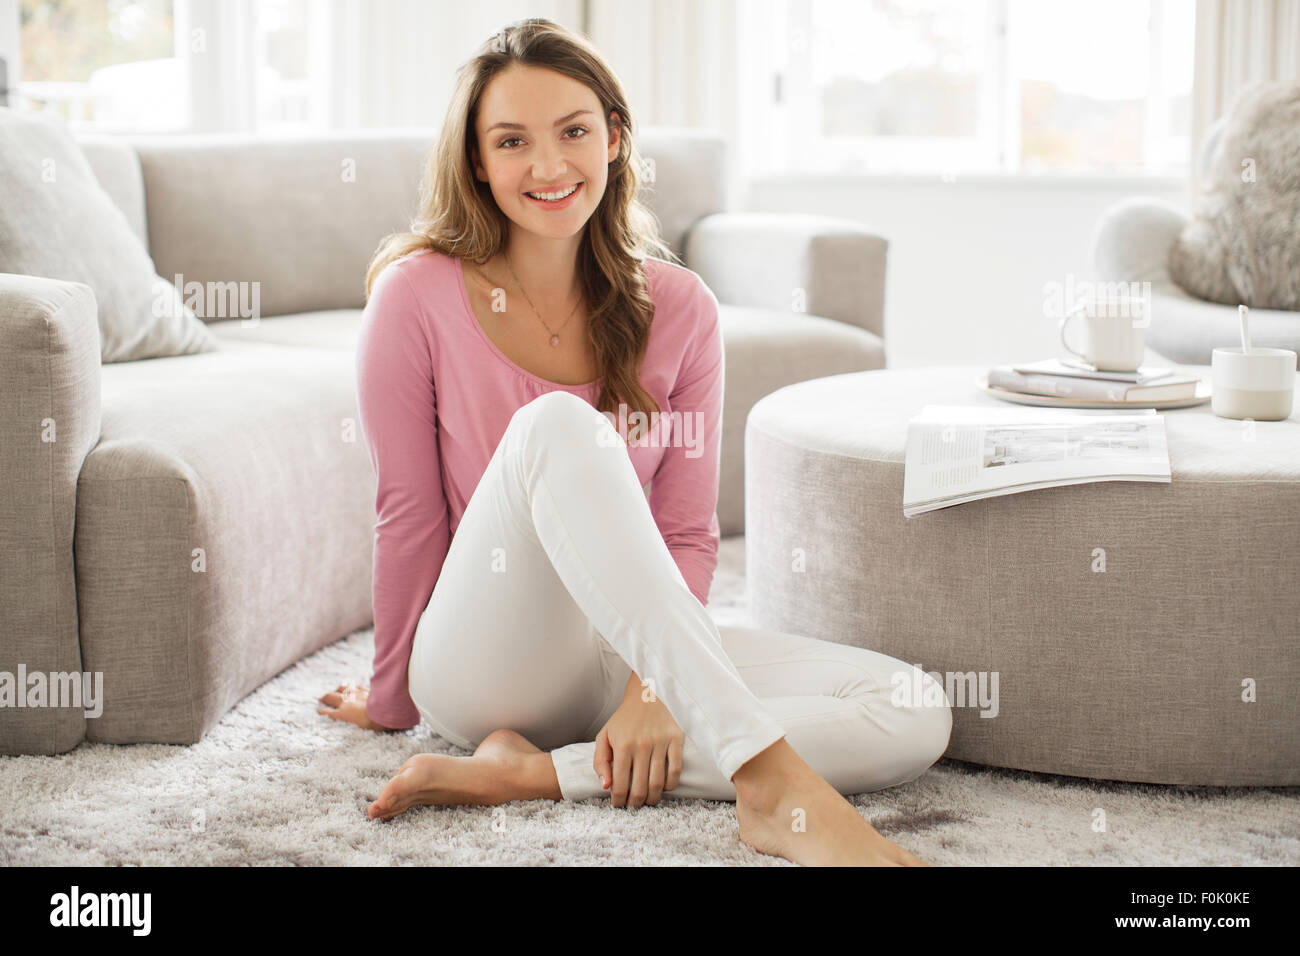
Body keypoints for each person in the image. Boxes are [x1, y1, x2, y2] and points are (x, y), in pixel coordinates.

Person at [318, 17, 952, 867]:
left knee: (910, 706)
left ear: (615, 139)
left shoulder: (682, 308)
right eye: (512, 142)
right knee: (556, 427)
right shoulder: (415, 295)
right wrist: (394, 698)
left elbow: (687, 533)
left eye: (574, 132)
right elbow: (408, 514)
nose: (548, 167)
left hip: (624, 653)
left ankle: (541, 774)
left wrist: (655, 687)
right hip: (485, 659)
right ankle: (770, 785)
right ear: (477, 160)